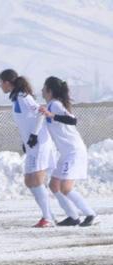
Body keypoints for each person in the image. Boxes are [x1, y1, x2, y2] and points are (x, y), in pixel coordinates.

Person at [0, 69, 57, 228]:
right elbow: (26, 120)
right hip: (32, 144)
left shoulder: (23, 97)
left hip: (39, 143)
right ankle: (49, 214)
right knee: (29, 180)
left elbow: (41, 113)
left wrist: (33, 135)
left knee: (36, 179)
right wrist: (26, 140)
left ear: (6, 82)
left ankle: (47, 218)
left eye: (0, 82)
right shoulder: (16, 97)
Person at [39, 77, 98, 227]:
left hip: (74, 151)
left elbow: (72, 120)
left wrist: (52, 115)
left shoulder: (55, 105)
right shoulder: (50, 106)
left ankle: (91, 214)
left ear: (49, 91)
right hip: (66, 153)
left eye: (43, 88)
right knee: (54, 185)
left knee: (65, 187)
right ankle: (73, 217)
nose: (41, 91)